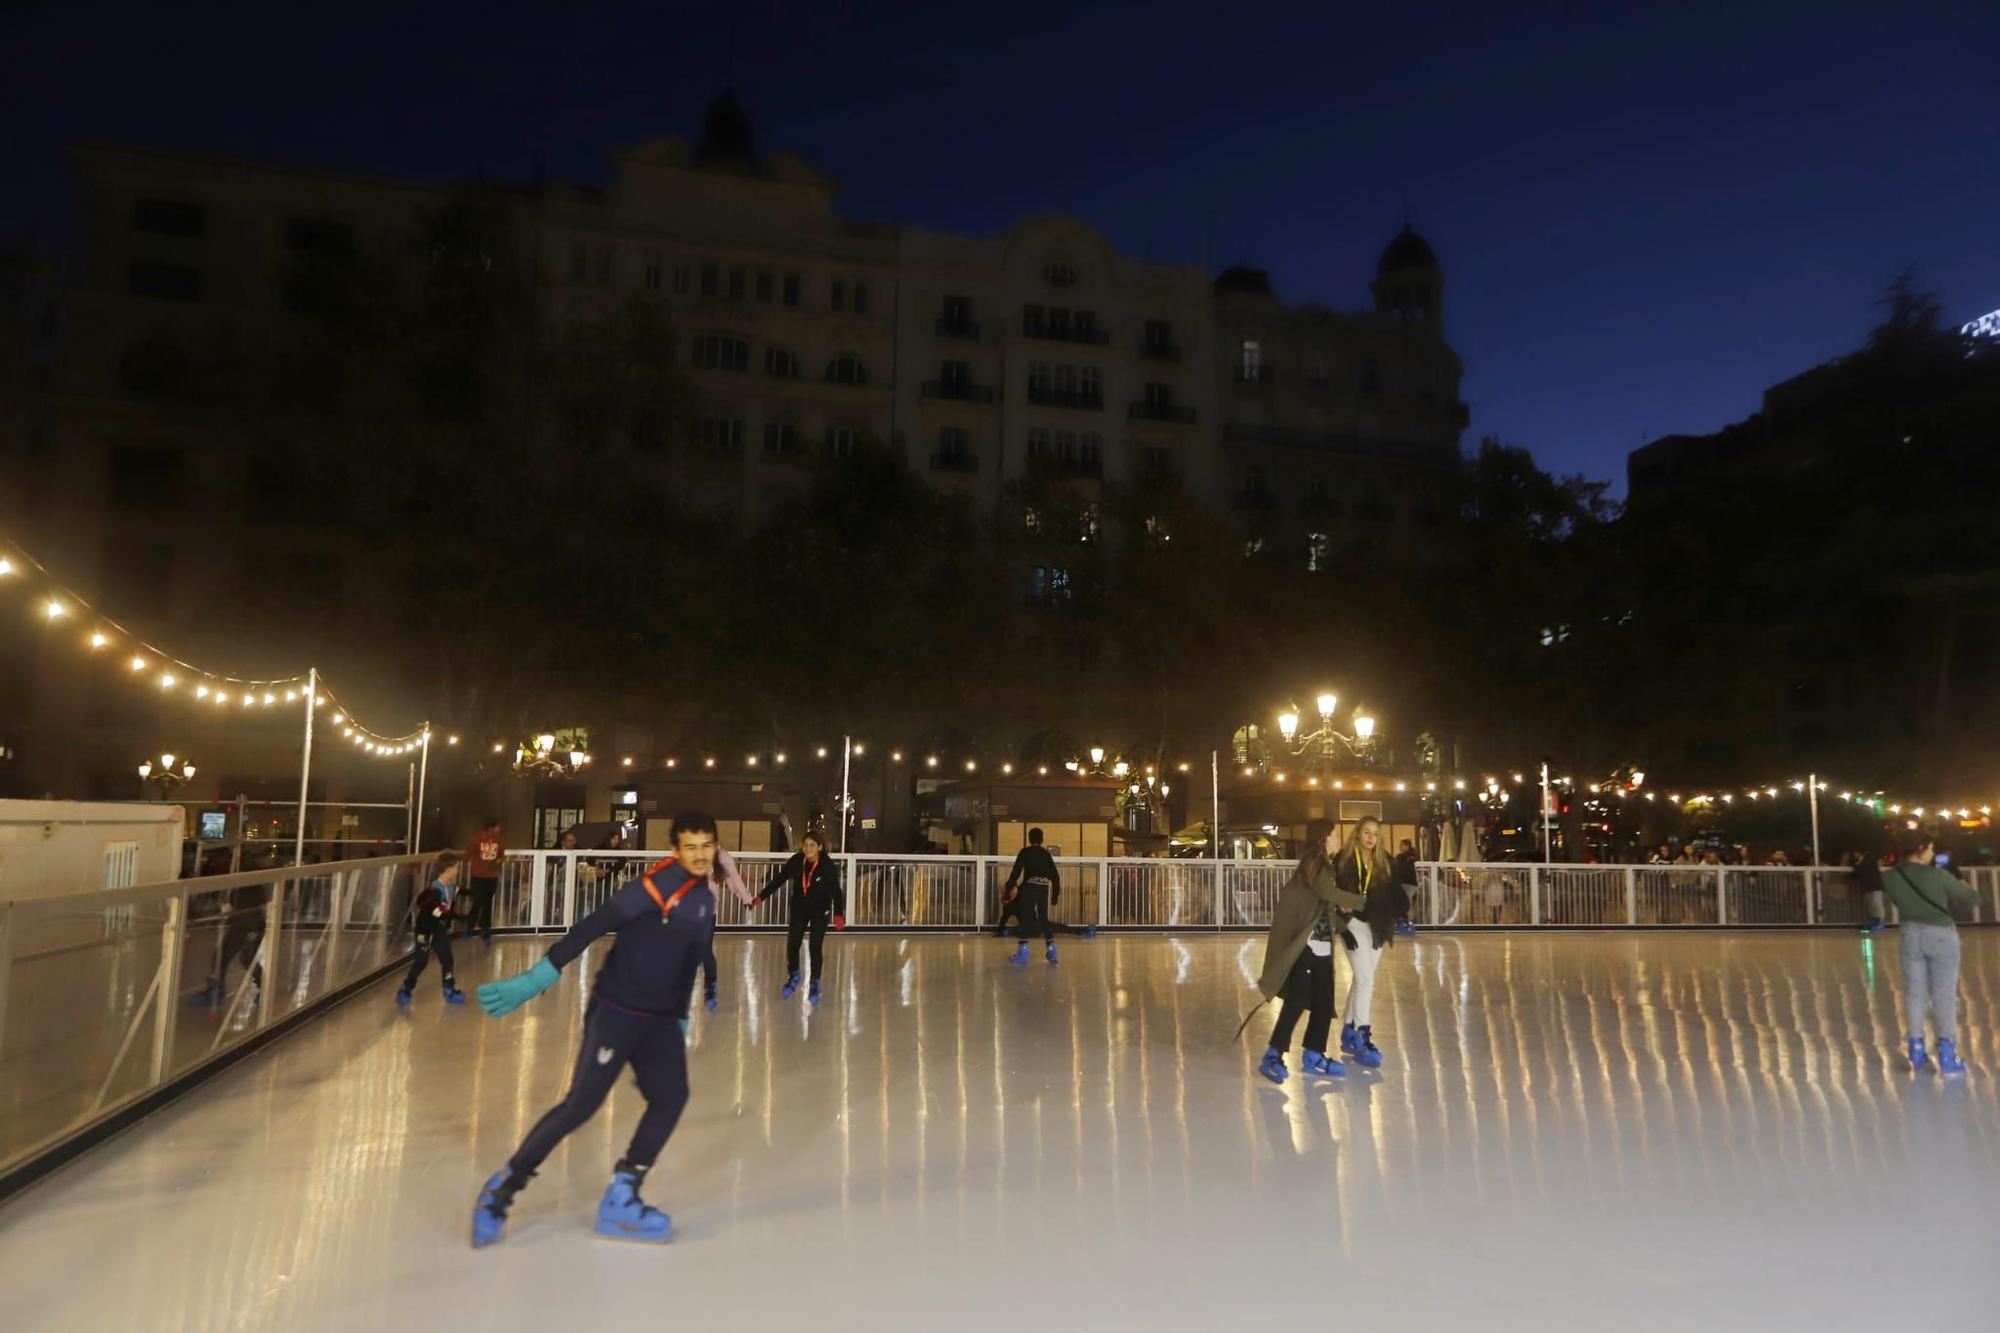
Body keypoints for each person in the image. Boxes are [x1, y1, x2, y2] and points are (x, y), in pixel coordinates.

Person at [470, 811, 722, 1248]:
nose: (700, 855)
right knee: (579, 1107)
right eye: (691, 846)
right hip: (617, 1012)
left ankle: (622, 1196)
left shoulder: (705, 899)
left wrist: (681, 1013)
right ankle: (502, 1188)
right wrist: (541, 974)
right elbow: (593, 925)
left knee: (671, 1098)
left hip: (660, 1019)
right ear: (676, 850)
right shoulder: (652, 887)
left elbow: (691, 959)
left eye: (707, 845)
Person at [1252, 818, 1366, 1083]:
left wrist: (1343, 927)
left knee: (1324, 1004)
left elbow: (1321, 909)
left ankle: (1314, 1053)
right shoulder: (1314, 864)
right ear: (1323, 838)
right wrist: (1362, 902)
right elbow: (1327, 893)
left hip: (1323, 946)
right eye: (1335, 835)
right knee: (1298, 1001)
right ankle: (1273, 1054)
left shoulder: (1325, 866)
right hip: (1307, 949)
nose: (1339, 840)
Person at [1881, 831, 1980, 1075]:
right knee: (1944, 994)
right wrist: (1964, 883)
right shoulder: (1939, 875)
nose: (1933, 853)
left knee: (1915, 994)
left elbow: (1898, 901)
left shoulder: (1891, 876)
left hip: (1910, 936)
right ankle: (1947, 1053)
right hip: (1941, 937)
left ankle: (1916, 1050)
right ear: (1922, 848)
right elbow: (1974, 898)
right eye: (1931, 849)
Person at [1337, 815, 1405, 1069]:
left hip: (1376, 926)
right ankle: (1362, 1035)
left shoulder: (1385, 862)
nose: (1371, 838)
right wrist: (1343, 928)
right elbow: (1337, 895)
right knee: (1366, 980)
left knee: (1360, 978)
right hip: (1352, 923)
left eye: (1375, 834)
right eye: (1366, 832)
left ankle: (1347, 1028)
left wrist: (1399, 916)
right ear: (1357, 834)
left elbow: (1394, 893)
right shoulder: (1344, 860)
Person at [752, 831, 845, 1003]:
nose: (808, 848)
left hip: (820, 912)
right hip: (799, 910)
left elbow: (836, 891)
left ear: (820, 847)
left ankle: (815, 982)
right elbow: (779, 879)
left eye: (812, 845)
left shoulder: (826, 865)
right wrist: (761, 896)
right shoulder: (797, 861)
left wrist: (839, 914)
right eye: (805, 845)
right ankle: (793, 974)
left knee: (815, 947)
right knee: (793, 944)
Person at [399, 853, 468, 1007]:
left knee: (447, 958)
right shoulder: (434, 890)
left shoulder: (449, 886)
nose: (458, 871)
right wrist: (460, 917)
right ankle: (406, 987)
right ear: (447, 870)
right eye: (456, 868)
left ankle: (449, 989)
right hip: (425, 928)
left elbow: (458, 891)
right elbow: (440, 910)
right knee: (421, 961)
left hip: (437, 928)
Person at [698, 847, 757, 1009]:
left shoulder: (721, 856)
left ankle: (710, 986)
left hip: (708, 908)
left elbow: (734, 878)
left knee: (704, 948)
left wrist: (746, 898)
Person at [1001, 827, 1061, 964]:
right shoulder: (1046, 854)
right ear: (1041, 839)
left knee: (1025, 916)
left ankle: (1023, 952)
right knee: (1044, 918)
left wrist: (1009, 889)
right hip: (1044, 887)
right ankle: (1052, 951)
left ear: (1029, 838)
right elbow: (1055, 876)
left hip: (1030, 885)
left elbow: (1015, 872)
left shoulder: (1025, 852)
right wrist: (1055, 895)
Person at [463, 817, 504, 943]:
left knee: (487, 904)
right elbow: (468, 854)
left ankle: (486, 929)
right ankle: (469, 928)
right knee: (477, 902)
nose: (499, 829)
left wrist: (499, 860)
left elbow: (501, 855)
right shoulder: (477, 838)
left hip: (491, 877)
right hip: (478, 876)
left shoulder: (500, 840)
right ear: (490, 828)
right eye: (497, 827)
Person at [1850, 850, 1886, 932]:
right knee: (1872, 905)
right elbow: (1856, 873)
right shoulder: (1859, 863)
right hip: (1867, 887)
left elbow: (1862, 868)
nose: (1854, 855)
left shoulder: (1869, 858)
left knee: (1877, 904)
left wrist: (1858, 864)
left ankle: (1880, 923)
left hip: (1875, 886)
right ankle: (1874, 922)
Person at [1392, 837, 1420, 936]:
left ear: (1407, 846)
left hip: (1407, 884)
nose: (1400, 847)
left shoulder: (1403, 858)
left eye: (1402, 845)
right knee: (1406, 904)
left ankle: (1408, 925)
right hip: (1409, 884)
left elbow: (1400, 869)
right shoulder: (1413, 857)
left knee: (1407, 905)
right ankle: (1405, 925)